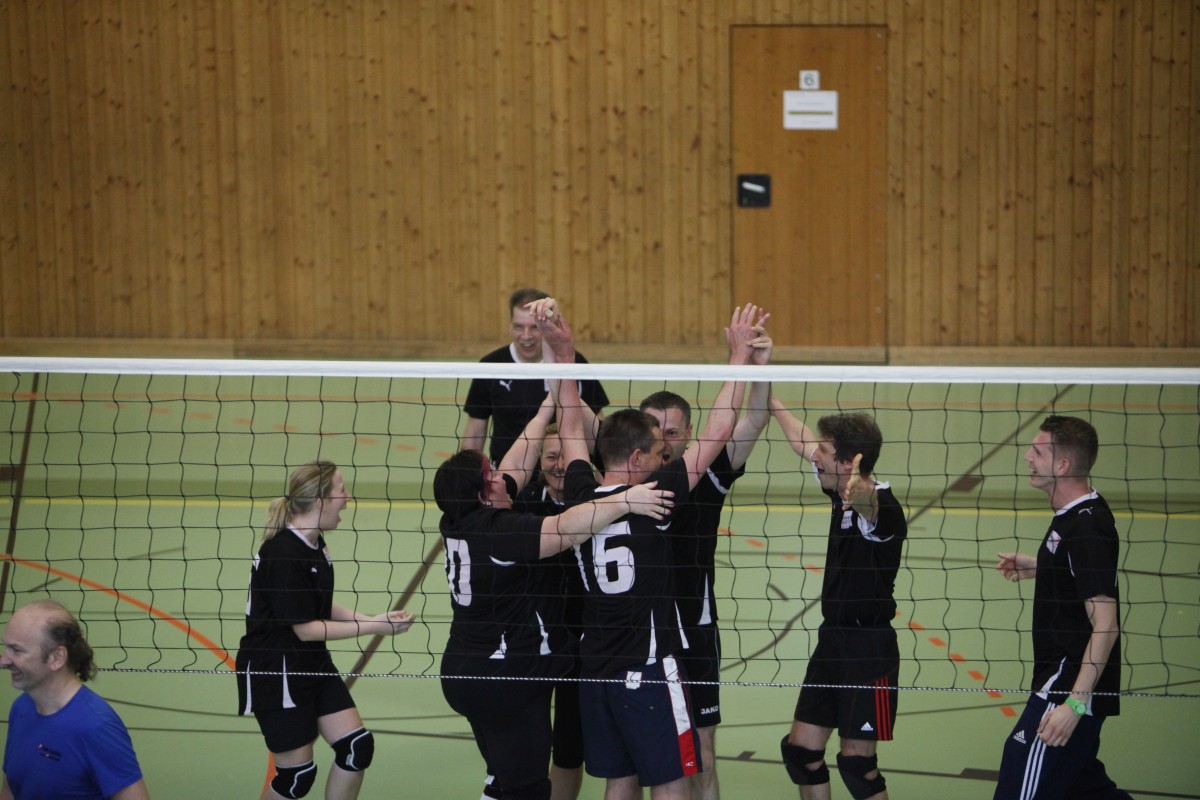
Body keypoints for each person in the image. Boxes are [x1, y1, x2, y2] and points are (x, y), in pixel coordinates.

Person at [535, 299, 763, 800]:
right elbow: (718, 430)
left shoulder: (580, 494)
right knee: (671, 781)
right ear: (638, 458)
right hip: (651, 667)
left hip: (597, 669)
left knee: (619, 780)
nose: (666, 457)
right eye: (659, 452)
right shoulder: (658, 498)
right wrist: (738, 357)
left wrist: (564, 353)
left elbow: (569, 426)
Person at [435, 404, 675, 800]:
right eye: (491, 476)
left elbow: (517, 460)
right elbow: (567, 529)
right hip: (506, 677)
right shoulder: (502, 532)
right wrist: (626, 500)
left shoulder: (459, 518)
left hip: (463, 670)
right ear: (483, 495)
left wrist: (549, 401)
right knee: (529, 788)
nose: (501, 476)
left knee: (502, 777)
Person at [636, 309, 772, 800]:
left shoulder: (710, 474)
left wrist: (759, 368)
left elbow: (754, 419)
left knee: (703, 752)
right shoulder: (622, 480)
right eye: (655, 431)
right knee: (642, 756)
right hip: (638, 632)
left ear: (690, 434)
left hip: (694, 628)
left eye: (673, 432)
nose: (664, 441)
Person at [236, 461, 414, 800]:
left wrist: (371, 617)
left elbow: (316, 604)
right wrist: (373, 626)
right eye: (341, 490)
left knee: (357, 748)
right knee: (296, 778)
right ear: (320, 500)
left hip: (310, 662)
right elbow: (305, 628)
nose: (347, 498)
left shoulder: (315, 544)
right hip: (277, 672)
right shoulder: (283, 554)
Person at [769, 403, 906, 800]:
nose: (817, 456)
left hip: (869, 650)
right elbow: (803, 442)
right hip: (832, 641)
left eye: (826, 451)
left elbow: (868, 502)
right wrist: (770, 397)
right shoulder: (836, 490)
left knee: (857, 766)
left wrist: (859, 488)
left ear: (848, 462)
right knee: (801, 754)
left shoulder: (884, 509)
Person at [993, 415, 1130, 799]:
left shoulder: (1086, 527)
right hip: (1065, 679)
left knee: (1017, 785)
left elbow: (1106, 624)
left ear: (1063, 465)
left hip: (1067, 686)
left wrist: (1075, 704)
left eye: (1037, 452)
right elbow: (1081, 569)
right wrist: (1043, 566)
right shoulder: (1074, 515)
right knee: (1084, 788)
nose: (1027, 457)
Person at [0, 599, 150, 800]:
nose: (3, 660)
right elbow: (11, 788)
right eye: (6, 648)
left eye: (16, 650)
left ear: (56, 657)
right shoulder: (21, 707)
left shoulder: (97, 726)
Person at [512, 421, 586, 800]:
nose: (559, 465)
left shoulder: (594, 503)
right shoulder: (523, 504)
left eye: (566, 457)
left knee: (569, 749)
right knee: (527, 745)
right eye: (551, 456)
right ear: (539, 459)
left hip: (581, 645)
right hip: (532, 643)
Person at [462, 287, 610, 465]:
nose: (526, 336)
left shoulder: (572, 363)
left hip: (561, 471)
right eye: (518, 327)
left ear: (545, 326)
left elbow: (598, 429)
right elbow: (475, 433)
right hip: (507, 472)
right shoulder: (491, 365)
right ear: (510, 326)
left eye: (534, 327)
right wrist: (469, 474)